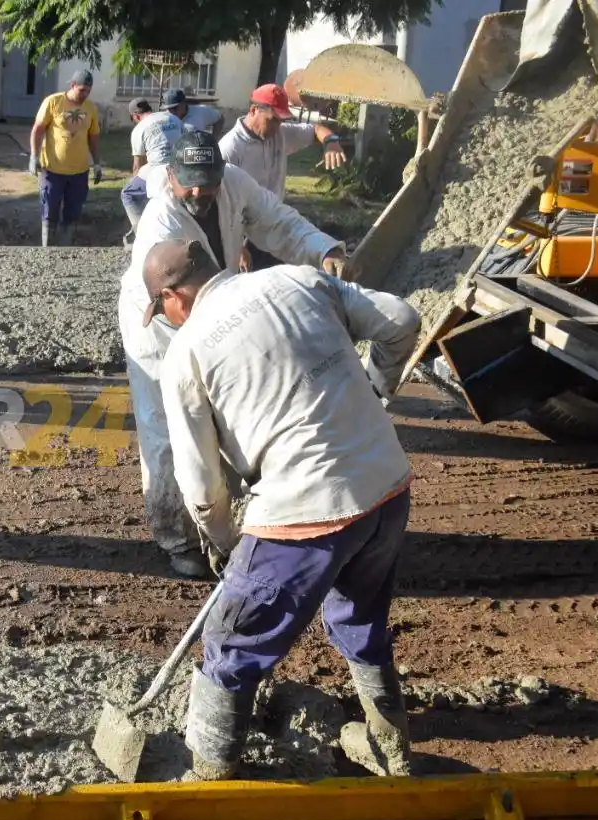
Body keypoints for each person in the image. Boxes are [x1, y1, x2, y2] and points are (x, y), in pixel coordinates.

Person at [140, 238, 420, 780]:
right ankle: (392, 745)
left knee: (232, 634)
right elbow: (401, 318)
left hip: (304, 509)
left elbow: (200, 480)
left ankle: (210, 768)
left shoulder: (187, 351)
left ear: (173, 297)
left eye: (163, 310)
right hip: (385, 486)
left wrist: (223, 541)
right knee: (360, 613)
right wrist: (377, 386)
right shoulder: (298, 279)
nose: (166, 320)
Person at [119, 131, 348, 579]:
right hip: (163, 321)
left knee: (226, 416)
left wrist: (324, 248)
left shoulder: (234, 184)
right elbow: (181, 303)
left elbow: (277, 222)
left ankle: (233, 523)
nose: (201, 192)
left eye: (209, 181)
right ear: (171, 176)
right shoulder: (161, 226)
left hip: (213, 305)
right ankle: (179, 537)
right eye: (191, 184)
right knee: (171, 429)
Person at [218, 83, 347, 271]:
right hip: (246, 236)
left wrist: (331, 142)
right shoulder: (230, 148)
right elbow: (222, 206)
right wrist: (237, 248)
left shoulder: (280, 134)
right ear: (254, 110)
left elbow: (316, 129)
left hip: (276, 226)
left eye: (281, 120)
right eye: (273, 120)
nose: (278, 126)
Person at [29, 70, 102, 247]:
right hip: (53, 170)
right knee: (49, 211)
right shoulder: (53, 102)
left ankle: (65, 250)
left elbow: (93, 137)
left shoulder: (90, 108)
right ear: (73, 86)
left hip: (79, 172)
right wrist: (34, 156)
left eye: (88, 91)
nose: (85, 94)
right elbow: (37, 130)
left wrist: (97, 163)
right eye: (82, 90)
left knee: (73, 212)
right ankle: (47, 249)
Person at [121, 97, 184, 244]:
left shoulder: (139, 128)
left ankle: (141, 233)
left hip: (159, 169)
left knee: (129, 193)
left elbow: (138, 165)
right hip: (181, 166)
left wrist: (136, 181)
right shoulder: (173, 118)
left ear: (135, 116)